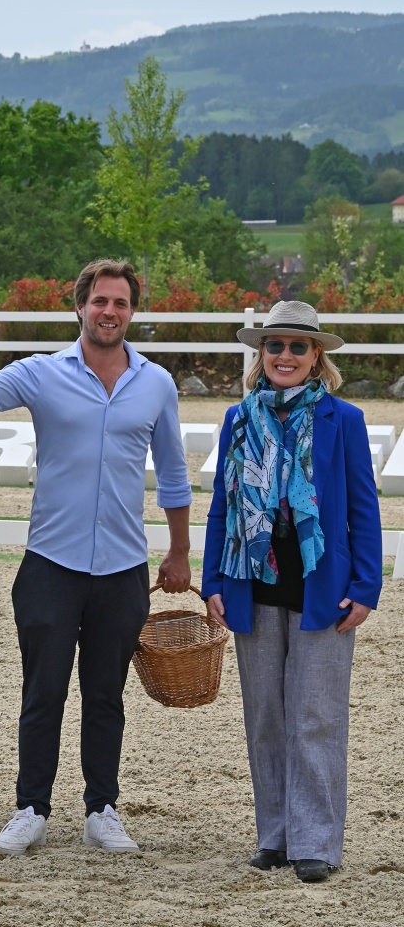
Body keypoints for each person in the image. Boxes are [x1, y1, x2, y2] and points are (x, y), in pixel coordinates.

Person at [0, 259, 193, 857]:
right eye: (100, 301)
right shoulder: (43, 373)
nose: (109, 312)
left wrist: (179, 552)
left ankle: (102, 810)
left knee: (106, 697)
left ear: (132, 311)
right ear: (80, 307)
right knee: (43, 693)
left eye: (120, 303)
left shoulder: (156, 384)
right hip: (51, 564)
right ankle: (31, 809)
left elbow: (174, 476)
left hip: (123, 567)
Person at [201, 300, 382, 883]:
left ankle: (316, 843)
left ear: (316, 355)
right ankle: (275, 836)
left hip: (324, 589)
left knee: (316, 718)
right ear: (262, 354)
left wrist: (367, 586)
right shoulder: (239, 418)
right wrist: (212, 581)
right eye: (274, 345)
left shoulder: (343, 419)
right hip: (252, 583)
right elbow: (223, 506)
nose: (284, 355)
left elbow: (364, 509)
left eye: (296, 346)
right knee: (266, 719)